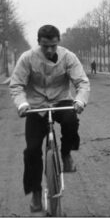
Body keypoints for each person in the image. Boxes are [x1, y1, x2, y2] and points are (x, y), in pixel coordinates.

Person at [9, 25, 90, 212]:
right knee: (31, 151)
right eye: (45, 46)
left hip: (61, 101)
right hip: (35, 107)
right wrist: (22, 104)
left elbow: (82, 82)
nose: (50, 50)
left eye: (53, 45)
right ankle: (36, 194)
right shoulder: (27, 58)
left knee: (71, 120)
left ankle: (66, 154)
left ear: (58, 42)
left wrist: (79, 101)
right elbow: (17, 85)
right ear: (39, 43)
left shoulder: (68, 57)